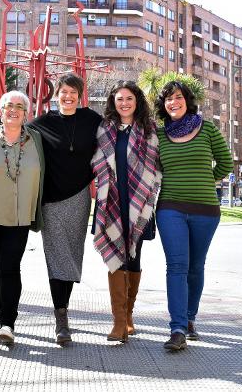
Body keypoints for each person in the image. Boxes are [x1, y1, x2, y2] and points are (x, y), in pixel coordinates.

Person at [0, 73, 102, 345]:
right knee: (52, 258)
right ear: (54, 95)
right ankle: (58, 317)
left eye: (73, 92)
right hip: (50, 202)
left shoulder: (92, 119)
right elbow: (11, 129)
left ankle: (55, 312)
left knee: (71, 257)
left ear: (80, 95)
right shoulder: (41, 125)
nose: (67, 96)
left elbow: (110, 143)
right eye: (63, 92)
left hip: (78, 198)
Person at [154, 80, 232, 351]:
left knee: (196, 267)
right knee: (177, 266)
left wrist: (204, 180)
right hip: (169, 208)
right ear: (163, 106)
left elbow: (226, 162)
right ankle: (176, 329)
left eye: (177, 97)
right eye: (168, 99)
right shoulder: (159, 135)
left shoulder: (207, 128)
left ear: (187, 100)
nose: (173, 102)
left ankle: (189, 319)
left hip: (205, 210)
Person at [91, 81, 161, 343]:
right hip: (110, 202)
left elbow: (156, 168)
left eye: (129, 98)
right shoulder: (104, 130)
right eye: (119, 99)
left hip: (140, 202)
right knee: (114, 256)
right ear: (113, 102)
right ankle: (118, 322)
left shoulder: (150, 131)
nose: (124, 103)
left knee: (133, 257)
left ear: (137, 101)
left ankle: (128, 315)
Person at [0, 91, 45, 344]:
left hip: (20, 215)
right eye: (8, 106)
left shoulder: (36, 138)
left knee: (10, 266)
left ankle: (7, 323)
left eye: (19, 107)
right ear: (0, 110)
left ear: (26, 113)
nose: (13, 110)